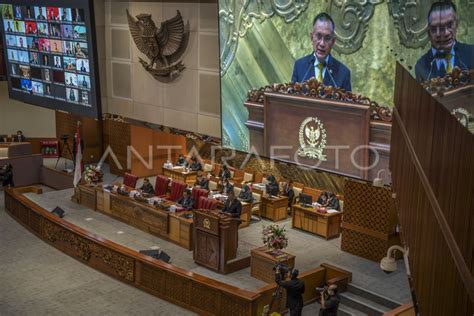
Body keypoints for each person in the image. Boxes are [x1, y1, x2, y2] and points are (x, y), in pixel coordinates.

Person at [291, 13, 351, 91]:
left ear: (333, 41)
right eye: (318, 36)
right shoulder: (299, 67)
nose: (322, 43)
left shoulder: (343, 73)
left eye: (327, 38)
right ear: (312, 37)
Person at [415, 2, 474, 82]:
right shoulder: (421, 66)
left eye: (450, 25)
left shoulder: (471, 53)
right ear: (428, 33)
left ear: (456, 25)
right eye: (435, 28)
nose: (446, 33)